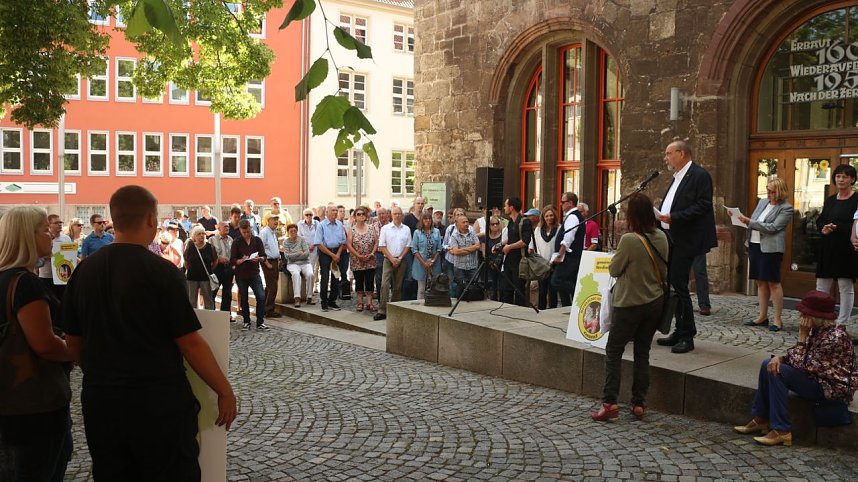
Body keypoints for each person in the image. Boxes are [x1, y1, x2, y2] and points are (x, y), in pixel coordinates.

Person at [62, 185, 236, 479]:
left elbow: (73, 344)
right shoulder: (162, 272)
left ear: (113, 221)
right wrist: (224, 390)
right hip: (158, 404)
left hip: (102, 401)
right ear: (151, 221)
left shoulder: (84, 271)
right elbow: (190, 343)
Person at [0, 207, 74, 481]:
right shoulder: (26, 284)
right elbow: (45, 344)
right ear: (26, 237)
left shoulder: (5, 278)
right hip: (35, 406)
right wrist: (75, 350)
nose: (52, 235)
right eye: (45, 229)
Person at [734, 290, 858, 446]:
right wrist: (780, 358)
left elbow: (804, 365)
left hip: (831, 388)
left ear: (815, 316)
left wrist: (801, 337)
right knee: (768, 363)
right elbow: (801, 359)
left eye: (804, 314)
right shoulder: (819, 330)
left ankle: (782, 430)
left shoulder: (834, 338)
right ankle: (762, 418)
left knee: (779, 371)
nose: (801, 317)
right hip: (817, 379)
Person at [592, 193, 669, 422]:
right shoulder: (662, 237)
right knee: (642, 352)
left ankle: (610, 402)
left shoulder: (629, 240)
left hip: (629, 304)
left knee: (614, 351)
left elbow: (614, 269)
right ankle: (638, 403)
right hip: (654, 302)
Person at [656, 140, 718, 354]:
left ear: (682, 153)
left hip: (687, 239)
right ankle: (679, 329)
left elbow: (703, 205)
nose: (666, 157)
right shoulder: (677, 177)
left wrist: (674, 217)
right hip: (671, 237)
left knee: (680, 286)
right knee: (675, 285)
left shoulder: (699, 175)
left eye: (668, 153)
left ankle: (687, 335)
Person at [736, 178, 793, 331]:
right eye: (767, 190)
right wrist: (738, 218)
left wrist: (749, 222)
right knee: (760, 282)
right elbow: (755, 221)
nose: (768, 194)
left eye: (772, 191)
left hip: (771, 249)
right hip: (755, 244)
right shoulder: (762, 202)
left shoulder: (786, 208)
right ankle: (762, 316)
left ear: (780, 192)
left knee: (773, 282)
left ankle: (777, 319)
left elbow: (773, 227)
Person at [815, 164, 858, 326]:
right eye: (838, 176)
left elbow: (856, 224)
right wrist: (824, 228)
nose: (841, 179)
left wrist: (838, 227)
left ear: (852, 179)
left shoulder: (856, 199)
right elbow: (821, 220)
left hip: (846, 248)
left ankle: (842, 323)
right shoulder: (831, 200)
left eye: (845, 177)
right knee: (821, 285)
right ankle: (820, 320)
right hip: (828, 246)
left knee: (845, 286)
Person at [374, 206, 412, 321]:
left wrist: (399, 258)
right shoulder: (386, 228)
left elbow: (408, 246)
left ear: (402, 215)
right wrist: (391, 258)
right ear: (391, 215)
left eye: (399, 214)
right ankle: (382, 310)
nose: (397, 216)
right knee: (384, 284)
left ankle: (394, 308)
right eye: (395, 214)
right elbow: (381, 246)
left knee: (398, 286)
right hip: (388, 259)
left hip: (401, 260)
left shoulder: (406, 229)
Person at [230, 219, 268, 331]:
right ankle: (246, 321)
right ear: (240, 231)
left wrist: (259, 258)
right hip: (241, 274)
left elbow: (264, 256)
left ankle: (260, 322)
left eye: (248, 231)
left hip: (254, 272)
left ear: (251, 229)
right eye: (244, 232)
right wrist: (241, 260)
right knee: (244, 297)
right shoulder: (236, 242)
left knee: (261, 296)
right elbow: (232, 260)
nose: (247, 234)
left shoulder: (257, 240)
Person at [552, 193, 585, 307]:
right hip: (572, 256)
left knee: (557, 280)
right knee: (565, 280)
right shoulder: (573, 216)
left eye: (563, 202)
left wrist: (560, 255)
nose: (561, 204)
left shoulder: (572, 217)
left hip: (570, 257)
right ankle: (567, 305)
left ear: (570, 203)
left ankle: (578, 293)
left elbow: (568, 238)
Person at [314, 204, 346, 312]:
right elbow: (318, 243)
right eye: (333, 210)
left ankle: (332, 301)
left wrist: (337, 254)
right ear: (327, 212)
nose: (335, 212)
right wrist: (332, 255)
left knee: (336, 277)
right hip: (325, 252)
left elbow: (343, 241)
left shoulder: (340, 225)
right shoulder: (321, 225)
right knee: (325, 277)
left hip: (337, 251)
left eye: (336, 211)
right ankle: (324, 301)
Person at [346, 206, 378, 311]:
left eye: (363, 214)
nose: (361, 216)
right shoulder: (352, 229)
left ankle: (369, 303)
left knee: (369, 281)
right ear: (355, 217)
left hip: (370, 259)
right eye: (358, 214)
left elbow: (376, 242)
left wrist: (372, 253)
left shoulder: (371, 227)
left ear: (366, 216)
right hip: (357, 260)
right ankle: (360, 303)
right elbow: (349, 245)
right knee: (359, 281)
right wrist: (358, 255)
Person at [38, 214, 73, 301]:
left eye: (61, 222)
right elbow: (37, 260)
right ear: (49, 225)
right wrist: (47, 257)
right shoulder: (44, 238)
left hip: (63, 277)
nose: (60, 224)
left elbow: (70, 256)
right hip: (47, 277)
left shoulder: (67, 239)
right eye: (56, 223)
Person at [184, 225, 217, 310]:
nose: (202, 235)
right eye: (199, 234)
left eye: (203, 233)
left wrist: (210, 270)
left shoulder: (210, 247)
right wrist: (191, 269)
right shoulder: (190, 247)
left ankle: (210, 319)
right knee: (192, 301)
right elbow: (186, 262)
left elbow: (215, 261)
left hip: (206, 278)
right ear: (194, 236)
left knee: (208, 300)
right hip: (192, 278)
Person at [448, 214, 481, 298]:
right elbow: (456, 251)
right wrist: (471, 249)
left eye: (467, 222)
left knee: (474, 288)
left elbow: (477, 246)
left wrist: (462, 250)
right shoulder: (454, 236)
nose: (466, 224)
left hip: (472, 266)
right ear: (457, 224)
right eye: (463, 222)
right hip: (460, 267)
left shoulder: (472, 233)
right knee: (460, 289)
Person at [533, 205, 560, 309]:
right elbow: (535, 245)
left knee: (553, 290)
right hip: (541, 264)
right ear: (543, 217)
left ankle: (553, 309)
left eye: (551, 215)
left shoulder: (559, 229)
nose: (549, 218)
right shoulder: (538, 230)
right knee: (542, 290)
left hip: (554, 264)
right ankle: (542, 310)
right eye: (547, 216)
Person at [411, 211, 442, 299]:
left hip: (434, 263)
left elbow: (439, 248)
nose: (428, 221)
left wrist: (432, 261)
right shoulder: (417, 232)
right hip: (421, 263)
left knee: (435, 286)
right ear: (421, 220)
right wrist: (424, 263)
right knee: (421, 288)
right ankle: (420, 308)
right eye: (425, 219)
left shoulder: (437, 232)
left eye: (429, 219)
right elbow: (414, 249)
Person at [282, 223, 314, 308]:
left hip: (305, 263)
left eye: (295, 231)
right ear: (288, 232)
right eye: (291, 231)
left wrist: (293, 254)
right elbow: (287, 256)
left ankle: (309, 297)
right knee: (296, 275)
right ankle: (297, 298)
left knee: (310, 274)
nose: (293, 232)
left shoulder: (302, 240)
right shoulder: (286, 242)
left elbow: (306, 254)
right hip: (292, 264)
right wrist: (298, 253)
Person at [211, 221, 235, 318]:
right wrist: (218, 259)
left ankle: (225, 316)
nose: (227, 228)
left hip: (228, 269)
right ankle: (211, 315)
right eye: (225, 227)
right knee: (213, 292)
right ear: (219, 228)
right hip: (217, 268)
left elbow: (233, 254)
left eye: (228, 227)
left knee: (227, 294)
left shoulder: (230, 239)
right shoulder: (213, 239)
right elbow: (209, 254)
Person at [259, 215, 282, 318]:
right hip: (268, 261)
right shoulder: (264, 232)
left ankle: (264, 308)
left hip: (274, 261)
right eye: (274, 219)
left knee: (270, 286)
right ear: (268, 221)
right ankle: (269, 309)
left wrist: (279, 258)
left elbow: (274, 247)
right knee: (272, 287)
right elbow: (261, 248)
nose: (276, 221)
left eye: (277, 219)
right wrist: (267, 263)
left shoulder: (272, 232)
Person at [483, 215, 504, 301]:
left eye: (497, 224)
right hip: (489, 264)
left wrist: (497, 262)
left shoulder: (502, 237)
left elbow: (503, 250)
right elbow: (484, 253)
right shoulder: (486, 237)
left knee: (501, 285)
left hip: (501, 264)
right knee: (492, 285)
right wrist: (490, 263)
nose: (495, 226)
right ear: (489, 226)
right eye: (492, 224)